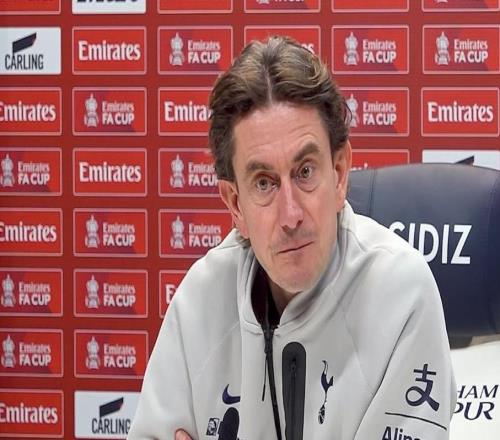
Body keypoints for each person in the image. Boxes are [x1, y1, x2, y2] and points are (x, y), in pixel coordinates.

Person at [128, 36, 456, 440]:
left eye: (305, 172)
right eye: (264, 183)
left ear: (339, 173)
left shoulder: (403, 294)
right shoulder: (201, 298)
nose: (291, 215)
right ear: (235, 204)